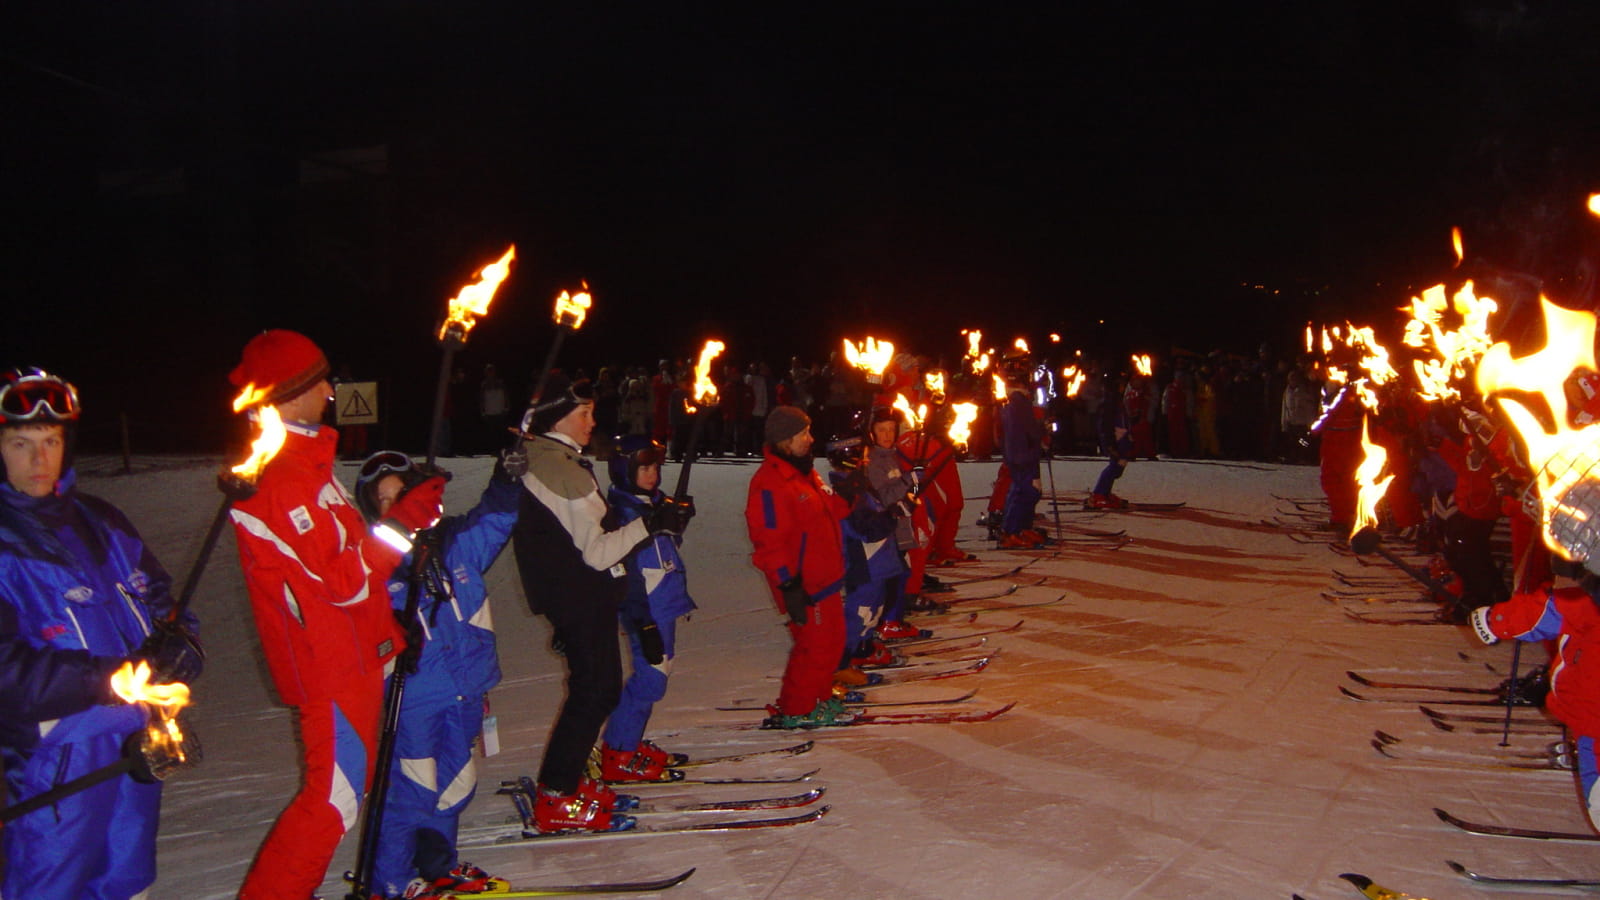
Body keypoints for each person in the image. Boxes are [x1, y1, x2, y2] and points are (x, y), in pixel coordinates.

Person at [227, 330, 446, 900]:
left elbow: (351, 560)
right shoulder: (279, 478)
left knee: (346, 793)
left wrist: (389, 626)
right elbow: (343, 580)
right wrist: (401, 521)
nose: (329, 390)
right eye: (319, 381)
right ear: (289, 392)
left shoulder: (309, 463)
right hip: (327, 665)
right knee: (332, 799)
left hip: (353, 654)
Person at [0, 366, 203, 900]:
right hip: (57, 759)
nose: (39, 460)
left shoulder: (101, 520)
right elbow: (6, 672)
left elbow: (162, 604)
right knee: (49, 886)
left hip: (136, 745)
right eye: (21, 443)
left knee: (126, 881)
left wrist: (181, 645)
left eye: (50, 441)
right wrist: (106, 678)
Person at [510, 374, 691, 833]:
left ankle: (566, 782)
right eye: (584, 413)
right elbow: (597, 551)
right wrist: (650, 524)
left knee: (599, 689)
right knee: (594, 692)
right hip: (580, 594)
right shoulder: (559, 468)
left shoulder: (557, 459)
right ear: (558, 417)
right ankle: (557, 794)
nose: (593, 421)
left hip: (579, 594)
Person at [354, 449, 521, 899]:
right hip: (415, 698)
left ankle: (435, 862)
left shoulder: (451, 543)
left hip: (466, 685)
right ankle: (389, 882)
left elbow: (495, 519)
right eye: (385, 500)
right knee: (412, 789)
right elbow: (352, 618)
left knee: (456, 782)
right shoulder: (373, 565)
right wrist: (391, 633)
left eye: (402, 494)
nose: (397, 505)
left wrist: (506, 482)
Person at [745, 406, 855, 728]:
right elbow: (768, 541)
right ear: (785, 440)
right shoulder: (770, 483)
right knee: (814, 648)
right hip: (803, 585)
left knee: (832, 643)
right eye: (804, 434)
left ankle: (819, 697)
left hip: (826, 577)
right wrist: (788, 584)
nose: (811, 438)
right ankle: (797, 708)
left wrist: (850, 493)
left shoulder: (804, 472)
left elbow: (829, 509)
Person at [598, 436, 696, 781]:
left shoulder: (653, 503)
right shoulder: (624, 515)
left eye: (655, 467)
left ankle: (629, 741)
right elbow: (628, 572)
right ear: (624, 470)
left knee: (659, 674)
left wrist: (677, 522)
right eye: (643, 468)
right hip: (647, 608)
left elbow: (664, 548)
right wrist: (643, 622)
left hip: (664, 601)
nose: (652, 474)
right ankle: (618, 750)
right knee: (651, 680)